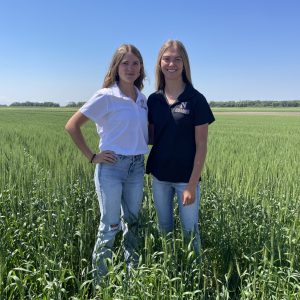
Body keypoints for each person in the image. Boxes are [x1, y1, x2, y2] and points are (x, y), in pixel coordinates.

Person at [65, 44, 148, 283]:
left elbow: (143, 134)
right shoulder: (106, 96)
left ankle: (133, 280)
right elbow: (72, 125)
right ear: (116, 66)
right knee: (110, 226)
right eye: (125, 63)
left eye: (135, 63)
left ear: (141, 67)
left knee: (133, 224)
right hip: (112, 168)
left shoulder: (142, 99)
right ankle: (101, 285)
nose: (131, 68)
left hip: (136, 168)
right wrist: (92, 156)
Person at [146, 40, 215, 255]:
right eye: (166, 58)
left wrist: (192, 185)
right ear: (160, 63)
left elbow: (201, 146)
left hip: (186, 179)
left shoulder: (196, 99)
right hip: (159, 178)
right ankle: (169, 275)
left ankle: (195, 279)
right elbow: (149, 138)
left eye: (177, 59)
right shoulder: (153, 100)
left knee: (190, 233)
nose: (171, 63)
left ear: (184, 64)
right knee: (164, 230)